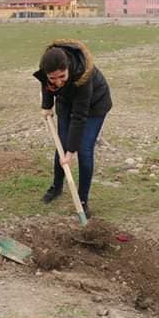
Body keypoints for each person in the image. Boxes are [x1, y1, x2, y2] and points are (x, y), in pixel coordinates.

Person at [33, 40, 112, 219]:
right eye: (53, 78)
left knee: (83, 150)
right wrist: (46, 105)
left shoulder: (84, 75)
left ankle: (82, 201)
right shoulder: (48, 68)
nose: (58, 82)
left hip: (94, 105)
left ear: (68, 67)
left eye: (62, 76)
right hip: (66, 102)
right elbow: (46, 84)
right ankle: (57, 187)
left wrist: (71, 151)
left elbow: (79, 116)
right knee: (60, 145)